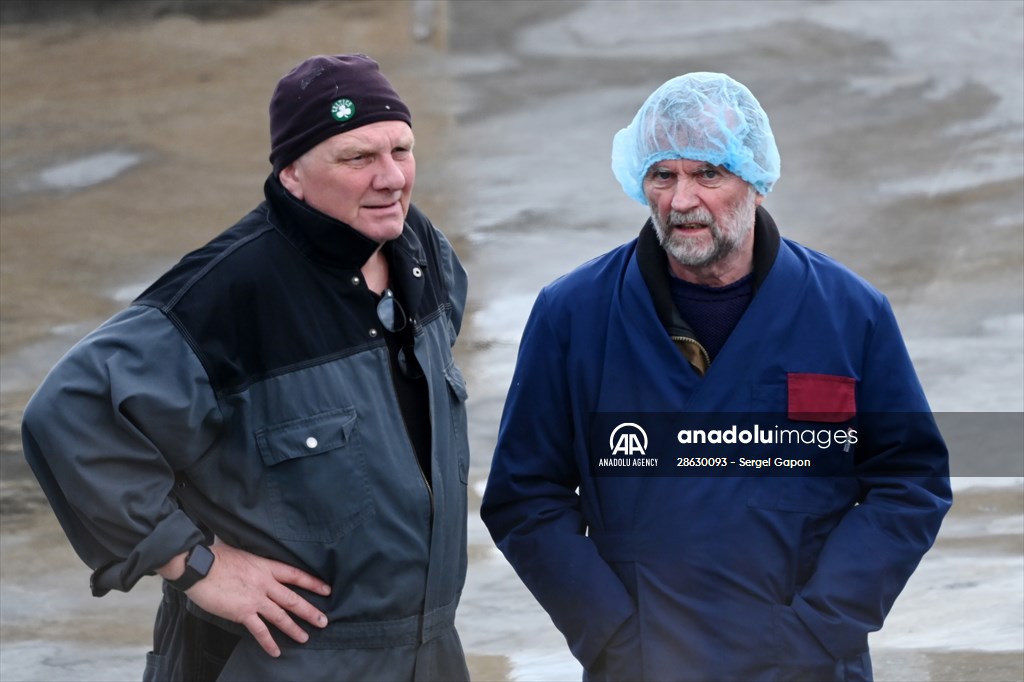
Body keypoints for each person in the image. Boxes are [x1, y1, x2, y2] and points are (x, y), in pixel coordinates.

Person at [480, 72, 951, 681]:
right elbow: (525, 497)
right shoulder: (574, 316)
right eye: (662, 175)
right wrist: (616, 636)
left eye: (708, 174)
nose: (681, 201)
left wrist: (818, 629)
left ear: (754, 180)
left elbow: (910, 481)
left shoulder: (847, 314)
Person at [22, 54, 470, 682]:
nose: (392, 177)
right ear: (291, 173)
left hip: (427, 653)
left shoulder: (422, 254)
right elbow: (70, 413)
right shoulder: (228, 294)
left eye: (401, 149)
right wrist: (190, 562)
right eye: (358, 158)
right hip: (282, 660)